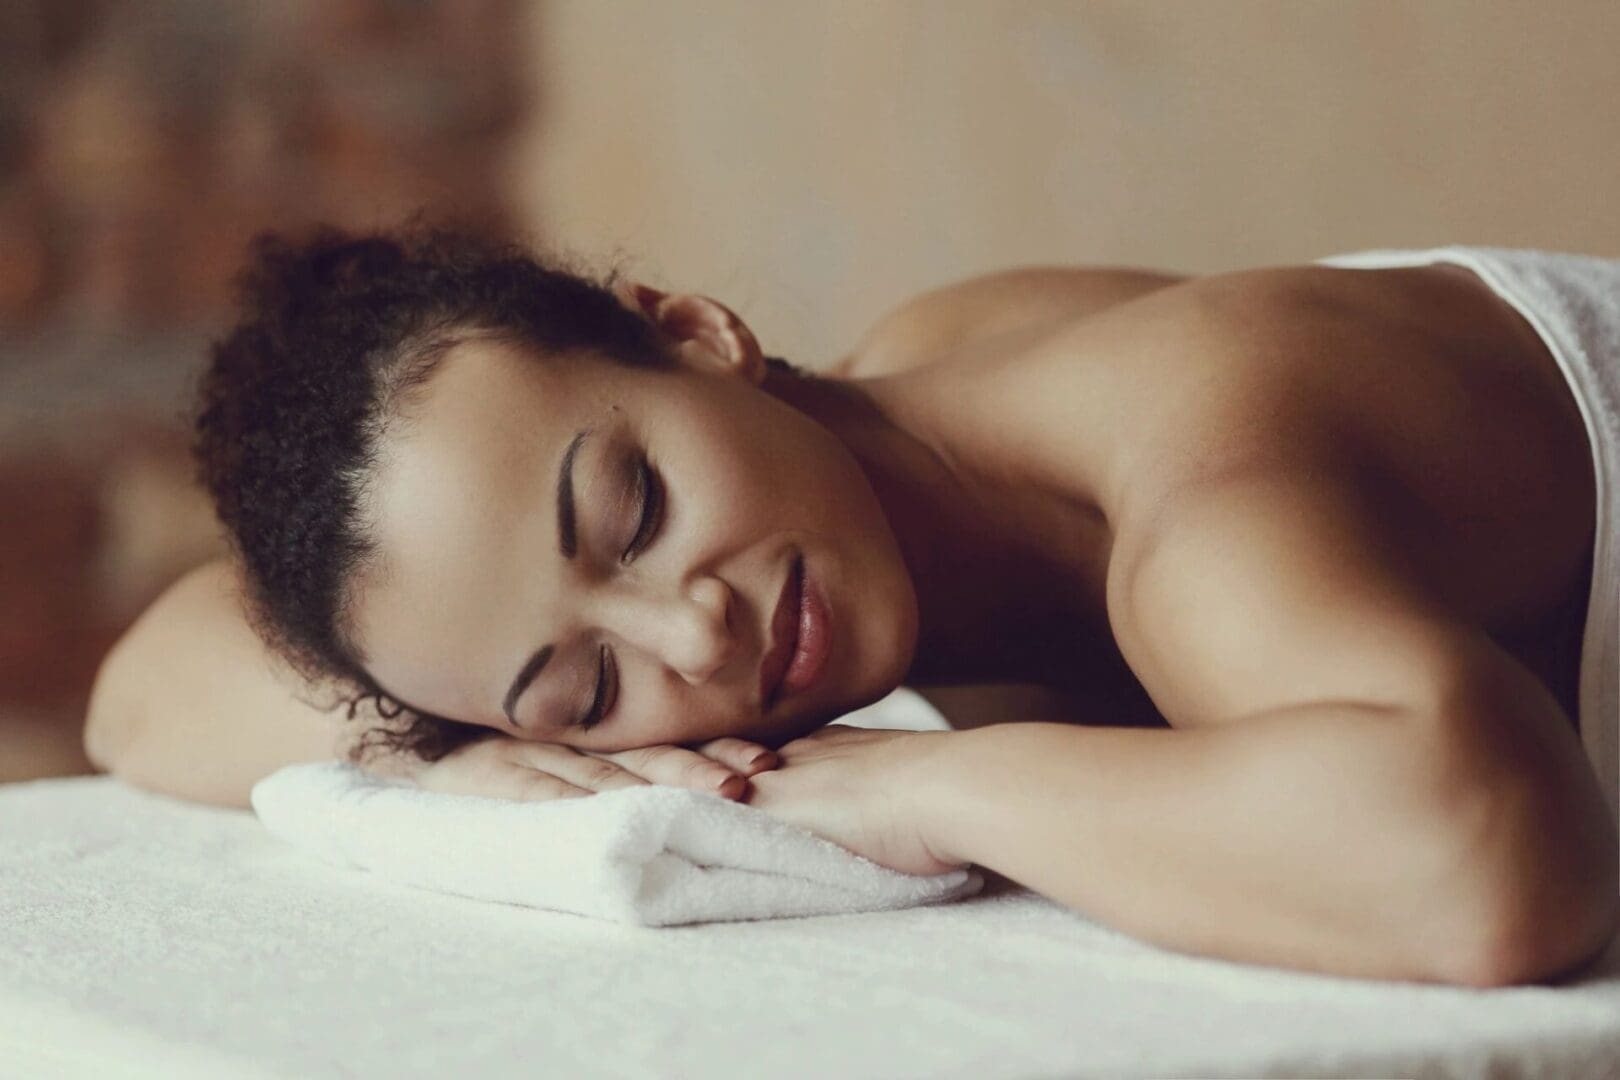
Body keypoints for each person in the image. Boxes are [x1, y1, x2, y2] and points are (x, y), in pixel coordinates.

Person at [83, 222, 1618, 987]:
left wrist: (936, 786)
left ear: (690, 331)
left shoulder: (1192, 482)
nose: (696, 638)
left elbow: (1484, 859)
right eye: (588, 689)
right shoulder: (910, 399)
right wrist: (445, 748)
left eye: (633, 510)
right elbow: (145, 686)